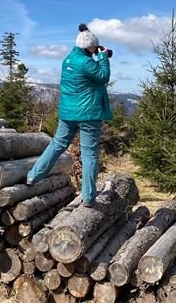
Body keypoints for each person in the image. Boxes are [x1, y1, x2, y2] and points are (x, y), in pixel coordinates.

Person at [26, 23, 112, 207]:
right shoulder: (87, 62)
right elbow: (103, 76)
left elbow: (88, 74)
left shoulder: (68, 60)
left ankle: (33, 175)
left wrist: (96, 55)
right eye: (94, 46)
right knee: (89, 154)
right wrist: (103, 57)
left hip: (67, 114)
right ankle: (88, 196)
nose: (95, 49)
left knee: (57, 145)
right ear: (88, 46)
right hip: (88, 115)